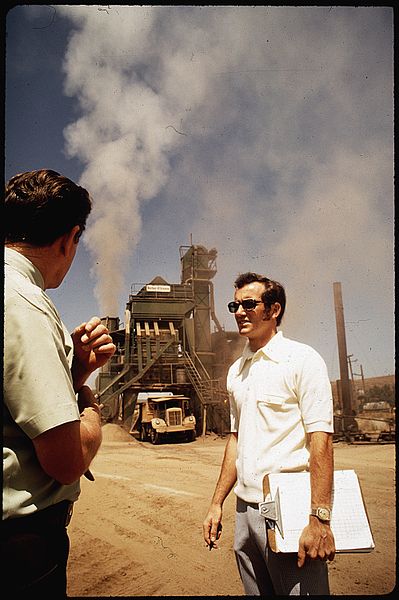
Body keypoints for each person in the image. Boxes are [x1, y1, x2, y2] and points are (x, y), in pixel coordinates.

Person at [2, 169, 116, 597]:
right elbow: (66, 462)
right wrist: (91, 410)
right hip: (21, 550)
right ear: (69, 239)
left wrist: (75, 370)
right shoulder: (27, 303)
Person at [203, 272, 335, 596]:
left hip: (286, 506)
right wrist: (216, 503)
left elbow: (322, 440)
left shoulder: (302, 360)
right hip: (244, 511)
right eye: (235, 304)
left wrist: (319, 517)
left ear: (273, 310)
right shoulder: (237, 372)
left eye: (249, 303)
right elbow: (235, 440)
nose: (238, 311)